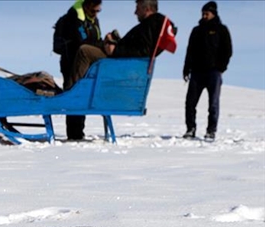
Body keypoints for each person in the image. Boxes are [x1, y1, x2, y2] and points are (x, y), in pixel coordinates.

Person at [67, 0, 173, 89]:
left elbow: (144, 51)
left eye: (138, 8)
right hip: (120, 61)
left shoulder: (150, 24)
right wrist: (114, 42)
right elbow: (137, 47)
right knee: (90, 48)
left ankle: (72, 91)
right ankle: (77, 89)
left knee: (84, 51)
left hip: (119, 63)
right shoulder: (151, 25)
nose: (135, 12)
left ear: (147, 9)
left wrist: (115, 50)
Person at [182, 1, 232, 141]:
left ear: (213, 14)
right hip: (197, 72)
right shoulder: (196, 31)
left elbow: (227, 50)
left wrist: (221, 67)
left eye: (207, 13)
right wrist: (186, 68)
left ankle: (211, 130)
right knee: (190, 103)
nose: (204, 16)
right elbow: (189, 51)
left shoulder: (221, 30)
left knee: (213, 103)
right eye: (203, 13)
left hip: (213, 72)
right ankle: (190, 128)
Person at [54, 0, 103, 140]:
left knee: (82, 94)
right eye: (94, 10)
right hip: (70, 64)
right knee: (73, 93)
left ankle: (78, 132)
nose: (96, 14)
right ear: (87, 6)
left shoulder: (91, 20)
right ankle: (74, 134)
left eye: (98, 11)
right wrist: (102, 45)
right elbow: (83, 41)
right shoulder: (74, 19)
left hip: (85, 65)